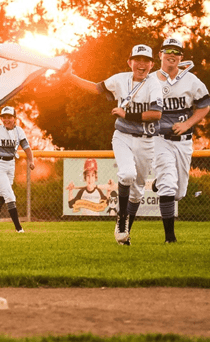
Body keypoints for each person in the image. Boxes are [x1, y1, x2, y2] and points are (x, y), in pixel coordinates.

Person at [65, 44, 162, 245]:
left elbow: (156, 114)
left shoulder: (154, 84)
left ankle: (124, 231)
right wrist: (70, 77)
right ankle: (122, 220)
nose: (141, 64)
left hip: (146, 142)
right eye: (138, 59)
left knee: (137, 192)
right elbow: (95, 88)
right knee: (126, 174)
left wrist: (126, 114)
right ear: (130, 62)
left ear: (152, 64)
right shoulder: (120, 79)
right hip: (123, 136)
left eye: (146, 60)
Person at [151, 37, 210, 243]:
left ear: (181, 57)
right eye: (168, 50)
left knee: (179, 193)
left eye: (176, 51)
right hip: (159, 139)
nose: (172, 54)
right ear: (160, 55)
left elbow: (204, 106)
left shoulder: (191, 80)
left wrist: (187, 124)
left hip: (184, 142)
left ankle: (159, 182)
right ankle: (170, 238)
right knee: (168, 186)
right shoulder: (150, 80)